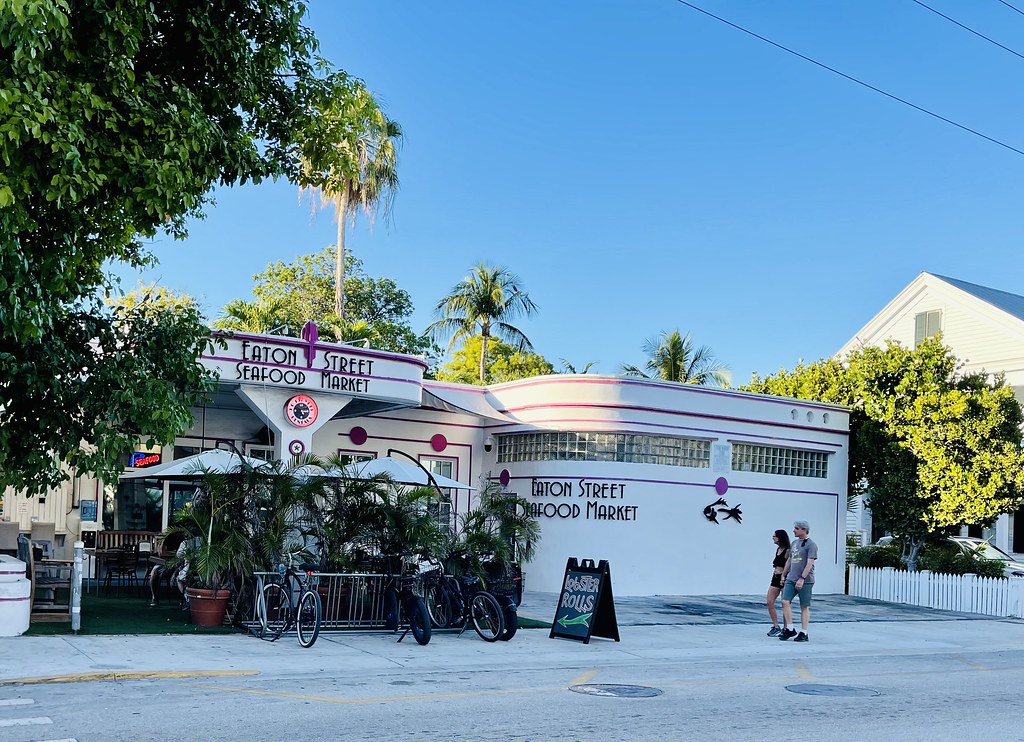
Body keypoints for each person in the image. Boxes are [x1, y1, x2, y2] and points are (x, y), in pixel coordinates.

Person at [779, 520, 817, 643]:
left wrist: (802, 578)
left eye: (796, 528)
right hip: (791, 578)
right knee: (785, 601)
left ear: (803, 530)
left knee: (804, 606)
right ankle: (790, 628)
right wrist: (783, 574)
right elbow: (790, 560)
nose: (794, 530)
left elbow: (810, 563)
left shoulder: (811, 545)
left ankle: (804, 632)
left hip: (805, 580)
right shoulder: (794, 543)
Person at [766, 528, 791, 637]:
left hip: (784, 578)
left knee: (785, 603)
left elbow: (789, 565)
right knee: (769, 601)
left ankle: (786, 628)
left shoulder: (788, 550)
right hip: (775, 577)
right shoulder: (778, 549)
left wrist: (783, 576)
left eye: (774, 536)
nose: (773, 538)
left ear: (779, 538)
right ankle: (775, 626)